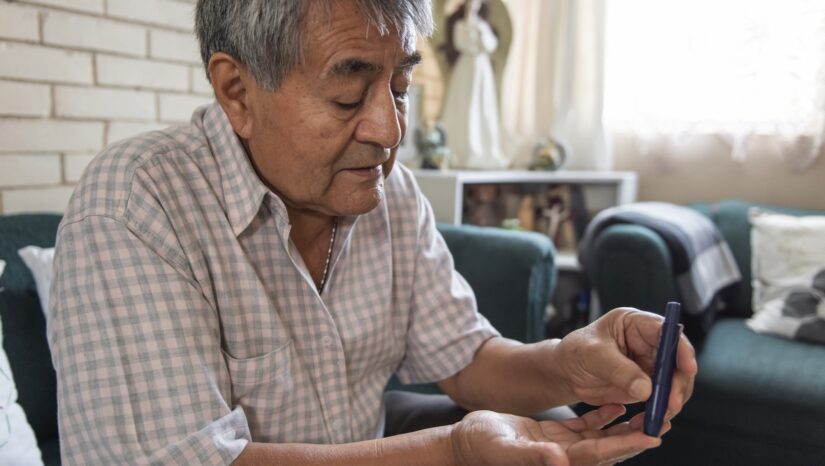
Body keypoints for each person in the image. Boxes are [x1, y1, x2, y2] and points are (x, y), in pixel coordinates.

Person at [48, 1, 696, 465]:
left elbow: (465, 359)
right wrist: (450, 453)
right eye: (348, 94)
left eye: (401, 85)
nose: (388, 131)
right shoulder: (138, 203)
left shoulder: (390, 194)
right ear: (237, 91)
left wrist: (569, 362)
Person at [440, 0, 509, 169]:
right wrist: (470, 28)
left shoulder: (483, 25)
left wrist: (479, 31)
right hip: (465, 68)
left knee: (481, 106)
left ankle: (482, 148)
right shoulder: (460, 25)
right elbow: (461, 44)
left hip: (481, 70)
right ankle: (462, 149)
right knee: (464, 104)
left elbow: (491, 45)